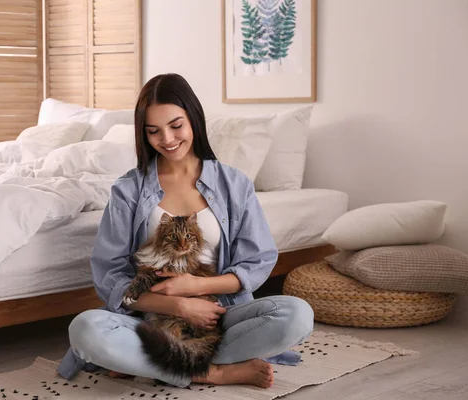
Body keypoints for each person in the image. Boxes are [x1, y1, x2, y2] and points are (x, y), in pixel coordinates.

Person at [59, 73, 314, 389]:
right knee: (86, 328)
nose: (166, 139)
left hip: (220, 314)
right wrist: (176, 305)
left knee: (297, 314)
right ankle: (211, 372)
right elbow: (109, 276)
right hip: (151, 318)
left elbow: (257, 261)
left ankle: (152, 363)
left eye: (176, 126)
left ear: (194, 119)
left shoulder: (234, 184)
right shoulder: (128, 190)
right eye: (153, 131)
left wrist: (193, 288)